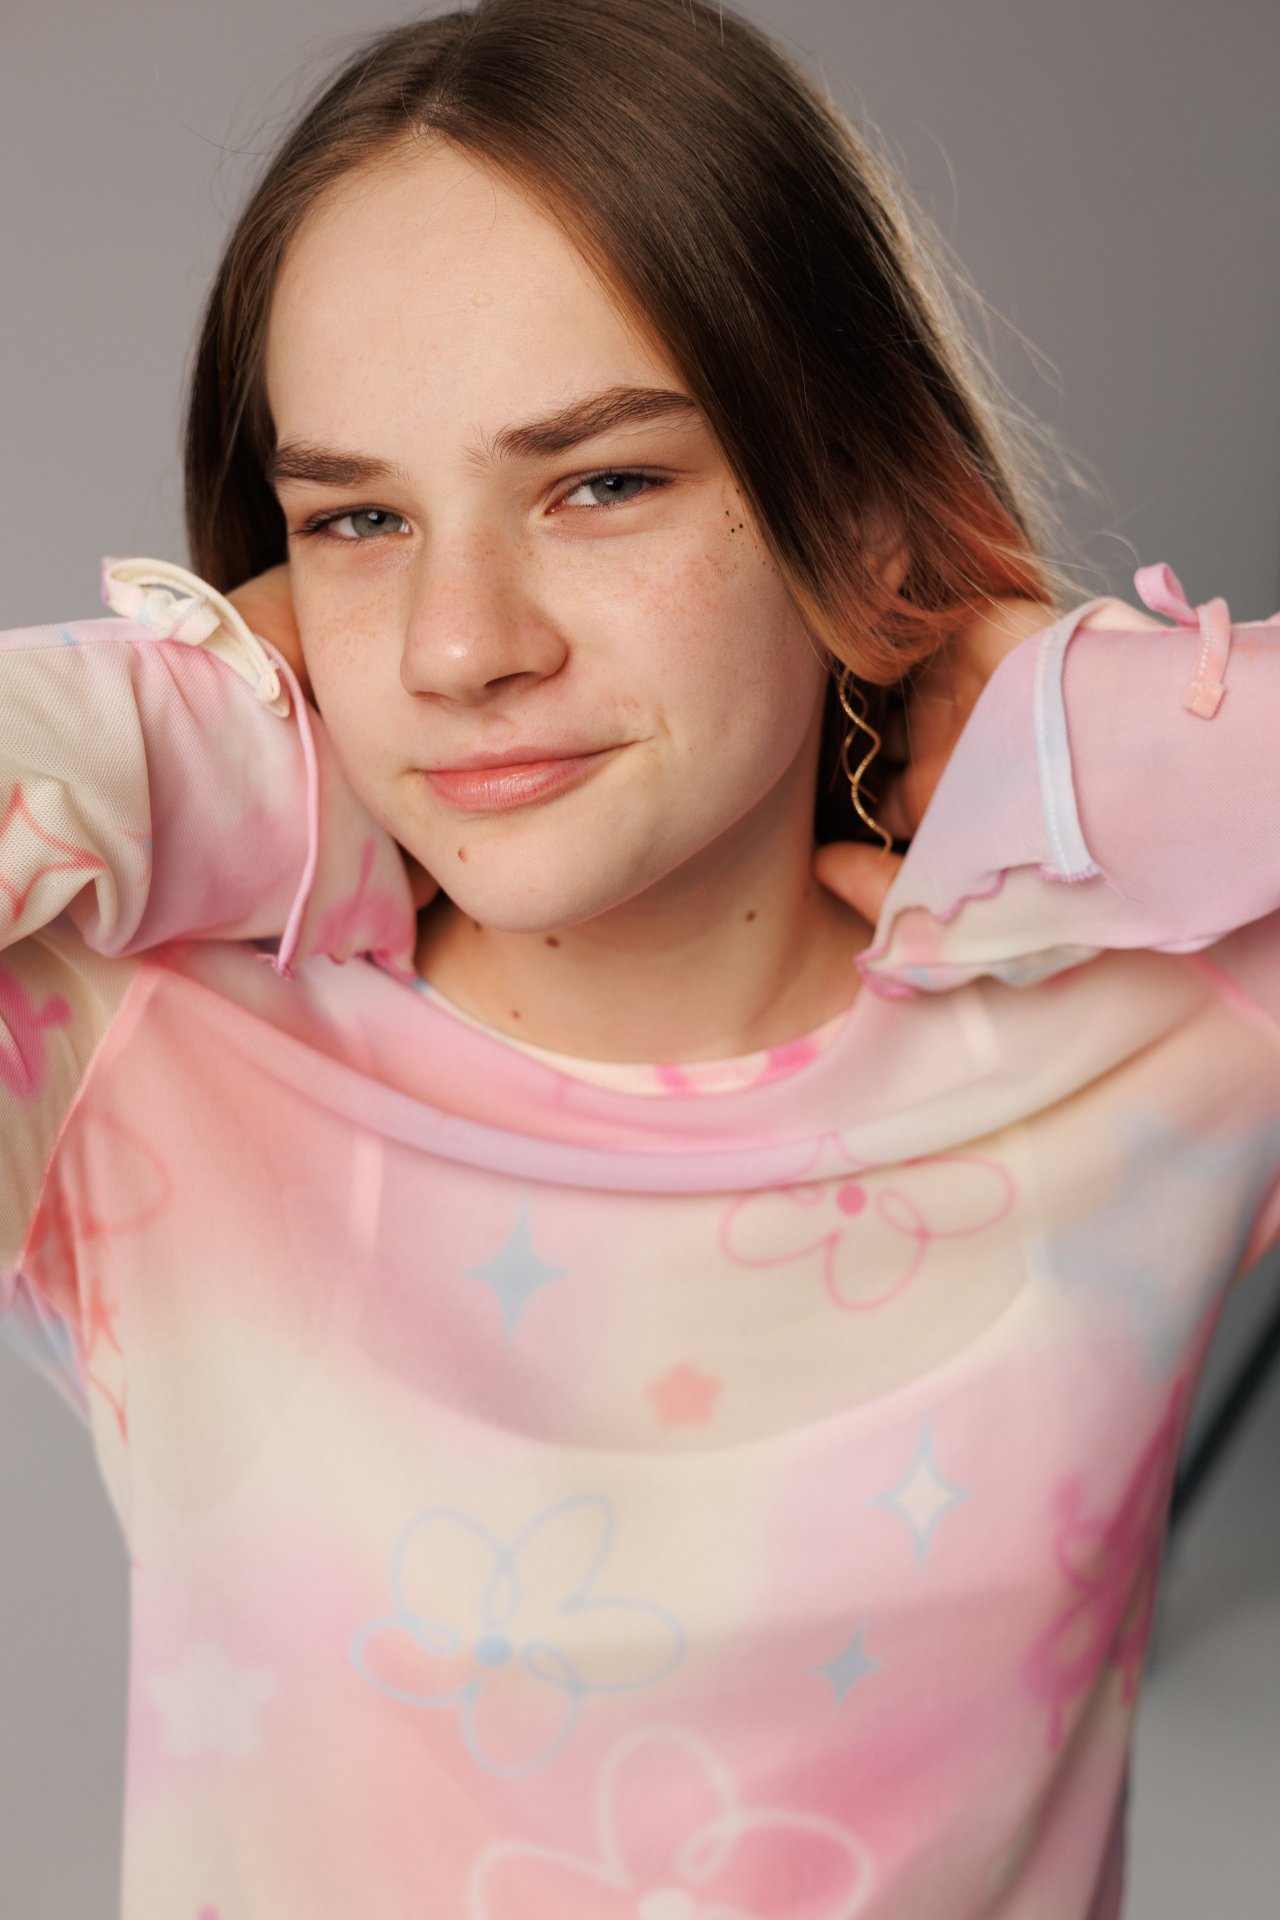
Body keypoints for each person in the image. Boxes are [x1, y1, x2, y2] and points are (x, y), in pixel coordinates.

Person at [2, 1, 1278, 1914]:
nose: (458, 646)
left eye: (601, 483)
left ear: (857, 506)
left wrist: (1098, 745)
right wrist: (202, 735)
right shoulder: (133, 1045)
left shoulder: (1166, 1036)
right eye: (358, 518)